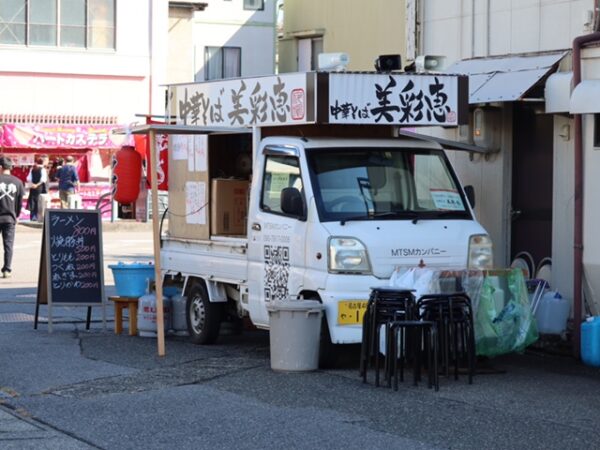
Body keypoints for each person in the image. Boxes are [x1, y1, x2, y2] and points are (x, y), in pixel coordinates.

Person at [0, 156, 24, 278]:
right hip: (10, 218)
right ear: (11, 168)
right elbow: (19, 203)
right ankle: (7, 269)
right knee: (8, 244)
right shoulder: (18, 182)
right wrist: (17, 215)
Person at [26, 157, 48, 221]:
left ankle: (33, 216)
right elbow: (43, 180)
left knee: (32, 201)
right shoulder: (43, 169)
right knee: (39, 201)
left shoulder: (32, 169)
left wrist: (32, 184)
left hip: (33, 188)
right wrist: (37, 185)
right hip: (40, 188)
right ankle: (39, 217)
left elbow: (28, 178)